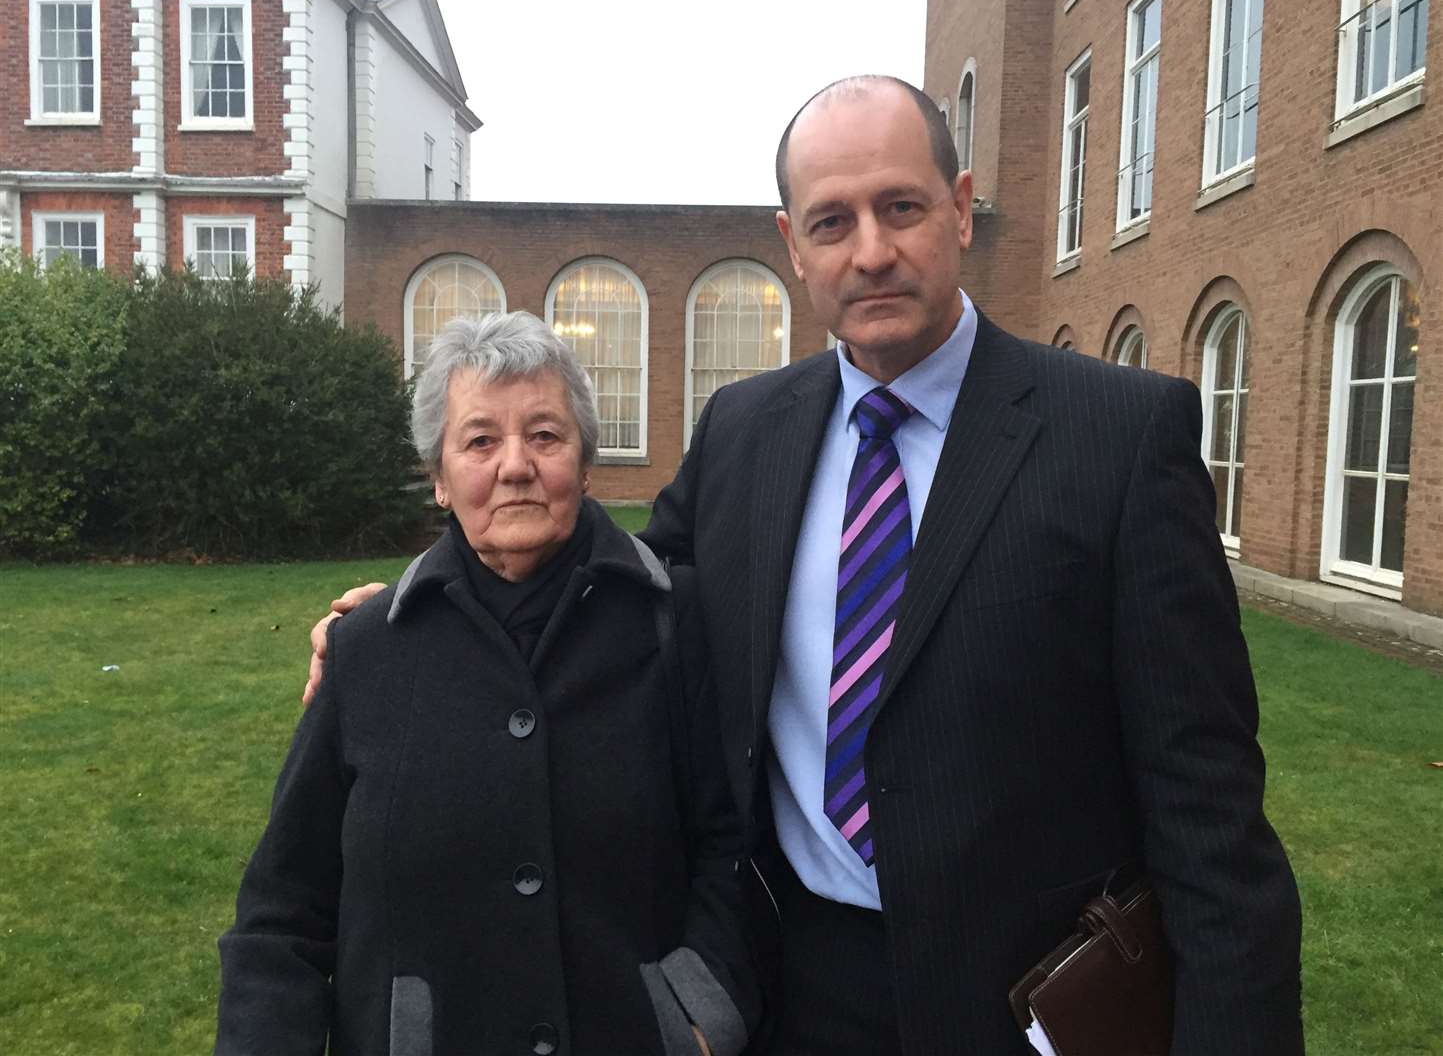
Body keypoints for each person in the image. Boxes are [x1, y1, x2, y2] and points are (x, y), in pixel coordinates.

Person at [308, 77, 1304, 1054]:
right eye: (832, 222)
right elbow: (611, 589)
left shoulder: (1117, 437)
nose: (870, 252)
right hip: (795, 982)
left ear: (959, 212)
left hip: (1029, 996)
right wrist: (423, 616)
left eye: (901, 207)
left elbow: (1209, 817)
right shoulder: (745, 430)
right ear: (792, 245)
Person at [219, 313, 761, 1056]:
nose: (515, 465)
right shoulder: (368, 650)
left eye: (545, 435)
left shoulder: (676, 624)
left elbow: (735, 839)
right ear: (439, 479)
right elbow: (285, 908)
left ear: (584, 460)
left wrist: (702, 1009)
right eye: (479, 441)